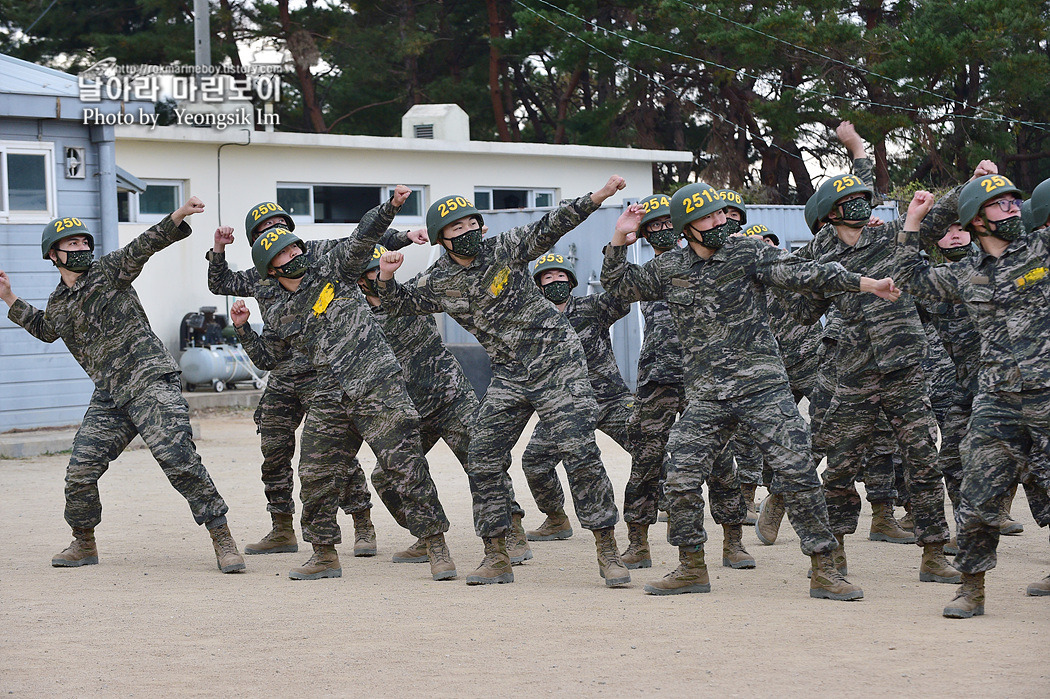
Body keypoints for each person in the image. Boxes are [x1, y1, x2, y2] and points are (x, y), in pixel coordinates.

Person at [602, 181, 899, 599]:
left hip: (762, 386)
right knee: (682, 476)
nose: (721, 220)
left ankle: (825, 569)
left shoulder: (748, 252)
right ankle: (690, 567)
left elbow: (808, 272)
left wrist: (868, 283)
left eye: (723, 213)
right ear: (688, 227)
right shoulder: (669, 268)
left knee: (797, 472)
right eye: (710, 216)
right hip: (707, 394)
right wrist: (620, 236)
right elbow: (617, 285)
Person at [375, 177, 631, 587]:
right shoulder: (437, 280)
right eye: (456, 229)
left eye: (471, 224)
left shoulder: (505, 249)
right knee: (483, 456)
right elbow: (396, 304)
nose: (467, 232)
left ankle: (608, 551)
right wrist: (385, 277)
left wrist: (597, 197)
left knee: (579, 451)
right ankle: (496, 555)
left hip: (555, 363)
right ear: (442, 239)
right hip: (510, 374)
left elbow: (551, 225)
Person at [0, 198, 245, 573]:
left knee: (178, 458)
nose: (82, 248)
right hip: (111, 395)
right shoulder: (59, 302)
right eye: (72, 244)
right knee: (80, 471)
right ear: (53, 255)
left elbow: (145, 244)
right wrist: (8, 297)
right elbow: (47, 330)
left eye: (85, 242)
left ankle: (222, 537)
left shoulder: (109, 271)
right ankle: (83, 542)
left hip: (149, 381)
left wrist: (177, 215)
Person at [231, 188, 457, 583]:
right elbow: (268, 359)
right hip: (331, 395)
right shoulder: (280, 311)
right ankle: (323, 554)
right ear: (270, 269)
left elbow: (362, 238)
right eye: (282, 254)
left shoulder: (331, 269)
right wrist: (242, 329)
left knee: (404, 465)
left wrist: (390, 208)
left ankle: (437, 547)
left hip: (376, 383)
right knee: (315, 473)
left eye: (294, 248)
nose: (293, 256)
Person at [207, 202, 418, 557]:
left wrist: (403, 237)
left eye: (279, 224)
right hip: (282, 371)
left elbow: (357, 240)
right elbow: (219, 283)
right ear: (254, 241)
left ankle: (362, 523)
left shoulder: (313, 253)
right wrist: (218, 249)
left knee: (334, 452)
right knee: (273, 450)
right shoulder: (258, 276)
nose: (273, 231)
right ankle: (281, 528)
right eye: (264, 228)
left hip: (323, 370)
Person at [892, 171, 1050, 616]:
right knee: (978, 496)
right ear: (977, 220)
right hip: (996, 400)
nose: (1014, 209)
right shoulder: (963, 274)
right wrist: (920, 216)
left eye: (1016, 203)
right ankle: (970, 588)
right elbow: (908, 274)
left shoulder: (1042, 249)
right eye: (1002, 204)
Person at [356, 244, 515, 563]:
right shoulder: (357, 318)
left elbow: (447, 272)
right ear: (360, 279)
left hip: (450, 396)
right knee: (385, 477)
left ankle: (512, 535)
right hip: (410, 409)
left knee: (482, 462)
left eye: (382, 268)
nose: (379, 274)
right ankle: (425, 534)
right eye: (373, 270)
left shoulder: (409, 294)